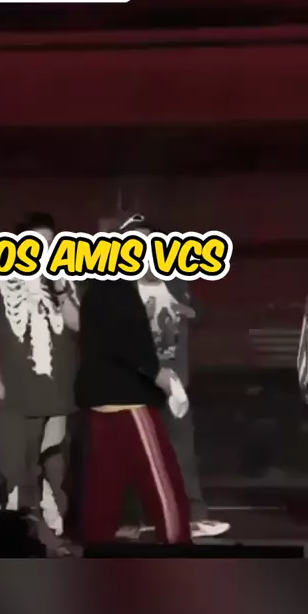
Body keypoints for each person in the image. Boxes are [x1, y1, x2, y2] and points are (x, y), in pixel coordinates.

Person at [76, 215, 192, 545]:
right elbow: (124, 340)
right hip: (129, 403)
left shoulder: (101, 285)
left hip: (102, 405)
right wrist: (159, 374)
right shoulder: (117, 289)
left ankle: (95, 551)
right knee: (163, 484)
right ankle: (178, 548)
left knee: (103, 489)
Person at [116, 215, 230, 540]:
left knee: (180, 451)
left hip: (174, 383)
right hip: (134, 383)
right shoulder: (116, 286)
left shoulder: (175, 279)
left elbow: (198, 314)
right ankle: (133, 519)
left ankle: (191, 516)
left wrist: (183, 308)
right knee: (131, 453)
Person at [0, 212, 78, 535]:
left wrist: (60, 288)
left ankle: (53, 532)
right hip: (12, 398)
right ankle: (9, 533)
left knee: (55, 468)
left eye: (50, 243)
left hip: (57, 397)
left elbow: (79, 325)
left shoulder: (66, 282)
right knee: (11, 471)